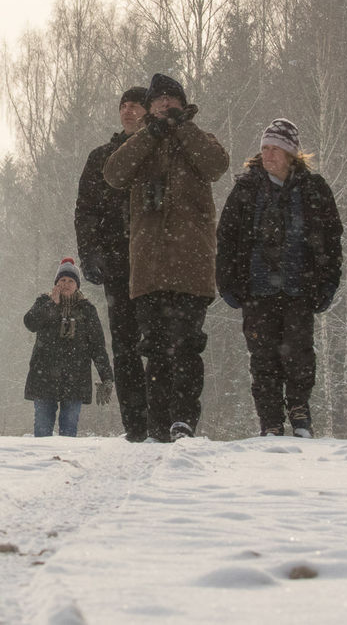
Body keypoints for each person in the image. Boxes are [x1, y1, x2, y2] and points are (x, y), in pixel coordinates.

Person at [103, 73, 230, 441]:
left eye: (171, 99)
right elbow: (113, 173)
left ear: (182, 103)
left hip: (191, 266)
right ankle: (158, 422)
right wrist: (150, 134)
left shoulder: (200, 138)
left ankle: (184, 420)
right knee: (155, 350)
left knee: (187, 346)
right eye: (157, 100)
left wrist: (182, 128)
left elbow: (216, 165)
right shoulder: (141, 143)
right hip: (149, 269)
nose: (164, 105)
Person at [216, 119, 343, 438]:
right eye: (265, 148)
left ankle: (299, 412)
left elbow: (331, 239)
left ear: (291, 154)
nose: (269, 154)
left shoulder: (314, 190)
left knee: (299, 354)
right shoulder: (246, 189)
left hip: (299, 288)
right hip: (256, 289)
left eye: (276, 149)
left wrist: (328, 282)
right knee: (263, 357)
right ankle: (270, 420)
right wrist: (227, 281)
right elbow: (227, 237)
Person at [75, 86, 150, 442]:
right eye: (123, 105)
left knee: (162, 343)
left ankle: (163, 417)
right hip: (118, 266)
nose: (128, 111)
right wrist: (90, 253)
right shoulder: (101, 157)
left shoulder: (160, 153)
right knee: (124, 344)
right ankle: (135, 424)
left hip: (156, 263)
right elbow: (85, 211)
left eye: (135, 105)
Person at [23, 258, 115, 437]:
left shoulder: (87, 309)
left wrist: (107, 377)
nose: (66, 284)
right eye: (62, 280)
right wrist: (52, 304)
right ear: (56, 283)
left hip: (76, 377)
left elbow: (98, 346)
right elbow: (30, 323)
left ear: (77, 285)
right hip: (44, 375)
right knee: (42, 428)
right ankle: (40, 463)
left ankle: (64, 463)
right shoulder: (44, 301)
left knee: (69, 429)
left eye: (70, 281)